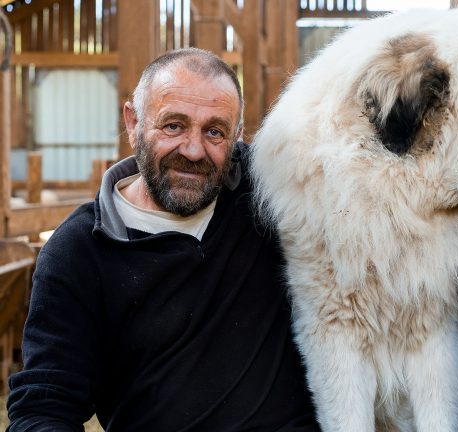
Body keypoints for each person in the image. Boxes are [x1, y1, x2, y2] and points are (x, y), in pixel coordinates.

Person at [7, 48, 320, 431]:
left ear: (238, 137)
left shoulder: (269, 199)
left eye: (214, 132)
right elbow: (44, 404)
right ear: (133, 122)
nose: (192, 150)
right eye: (173, 126)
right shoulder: (80, 251)